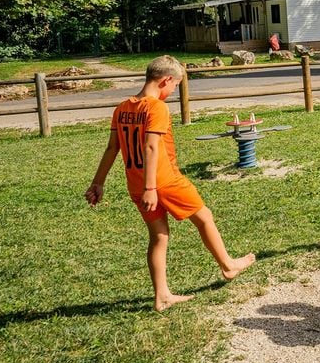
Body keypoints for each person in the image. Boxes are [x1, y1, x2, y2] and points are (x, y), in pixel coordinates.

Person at [85, 55, 255, 311]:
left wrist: (98, 183)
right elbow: (151, 146)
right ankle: (228, 266)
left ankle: (162, 295)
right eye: (175, 85)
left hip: (135, 184)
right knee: (205, 218)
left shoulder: (122, 109)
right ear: (166, 80)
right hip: (164, 182)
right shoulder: (156, 108)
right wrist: (151, 187)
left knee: (159, 236)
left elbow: (112, 148)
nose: (174, 90)